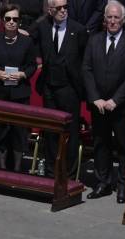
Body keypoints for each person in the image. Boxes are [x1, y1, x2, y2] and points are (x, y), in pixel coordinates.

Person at [83, 1, 125, 202]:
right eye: (109, 17)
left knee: (123, 146)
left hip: (121, 105)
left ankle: (124, 185)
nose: (113, 21)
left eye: (117, 17)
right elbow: (87, 70)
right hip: (98, 105)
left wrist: (115, 100)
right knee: (100, 143)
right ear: (104, 19)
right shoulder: (94, 40)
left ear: (123, 20)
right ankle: (103, 182)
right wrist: (95, 98)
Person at [0, 4, 39, 172]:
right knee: (0, 130)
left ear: (19, 22)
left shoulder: (27, 42)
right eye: (8, 19)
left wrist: (22, 74)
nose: (12, 22)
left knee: (18, 132)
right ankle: (1, 168)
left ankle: (17, 169)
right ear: (2, 20)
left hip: (19, 93)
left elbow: (32, 65)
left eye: (15, 19)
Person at [34, 0, 87, 177]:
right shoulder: (42, 27)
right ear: (50, 10)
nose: (63, 11)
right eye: (59, 8)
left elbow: (84, 59)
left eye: (66, 7)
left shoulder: (78, 30)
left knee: (70, 132)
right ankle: (50, 171)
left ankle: (69, 174)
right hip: (49, 86)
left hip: (70, 88)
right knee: (50, 130)